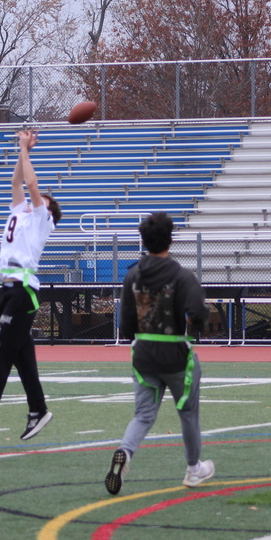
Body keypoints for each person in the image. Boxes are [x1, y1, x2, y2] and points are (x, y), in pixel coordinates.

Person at [0, 128, 62, 441]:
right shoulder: (21, 211)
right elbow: (17, 182)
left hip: (23, 290)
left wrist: (24, 148)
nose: (33, 201)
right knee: (22, 357)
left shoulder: (42, 219)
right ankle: (38, 410)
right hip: (7, 288)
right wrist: (22, 152)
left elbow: (31, 184)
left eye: (39, 200)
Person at [104, 212, 214, 495]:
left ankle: (125, 452)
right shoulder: (181, 275)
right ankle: (193, 469)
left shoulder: (133, 274)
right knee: (188, 412)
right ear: (171, 239)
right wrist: (194, 324)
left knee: (142, 415)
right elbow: (200, 312)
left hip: (143, 354)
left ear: (143, 241)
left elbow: (125, 322)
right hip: (175, 353)